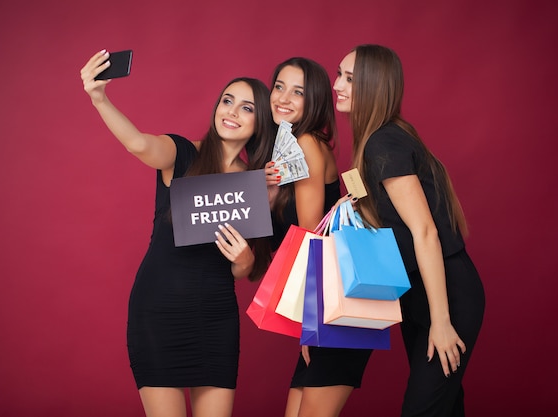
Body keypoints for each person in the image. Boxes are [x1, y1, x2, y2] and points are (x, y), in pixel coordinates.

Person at [80, 49, 275, 417]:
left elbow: (245, 270)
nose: (231, 112)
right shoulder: (182, 153)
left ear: (261, 122)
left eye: (246, 108)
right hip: (159, 310)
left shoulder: (258, 186)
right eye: (227, 101)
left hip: (216, 317)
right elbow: (139, 143)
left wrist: (245, 259)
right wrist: (99, 98)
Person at [332, 44, 485, 416]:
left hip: (444, 292)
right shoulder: (378, 138)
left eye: (350, 79)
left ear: (373, 87)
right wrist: (352, 202)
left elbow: (425, 232)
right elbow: (391, 217)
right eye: (340, 74)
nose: (337, 84)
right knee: (445, 407)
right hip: (416, 292)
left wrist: (442, 321)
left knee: (422, 409)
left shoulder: (384, 140)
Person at [264, 57, 373, 417]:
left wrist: (309, 326)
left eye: (298, 92)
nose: (284, 97)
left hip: (334, 306)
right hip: (328, 302)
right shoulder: (295, 144)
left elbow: (310, 236)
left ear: (315, 101)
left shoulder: (307, 143)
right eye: (279, 86)